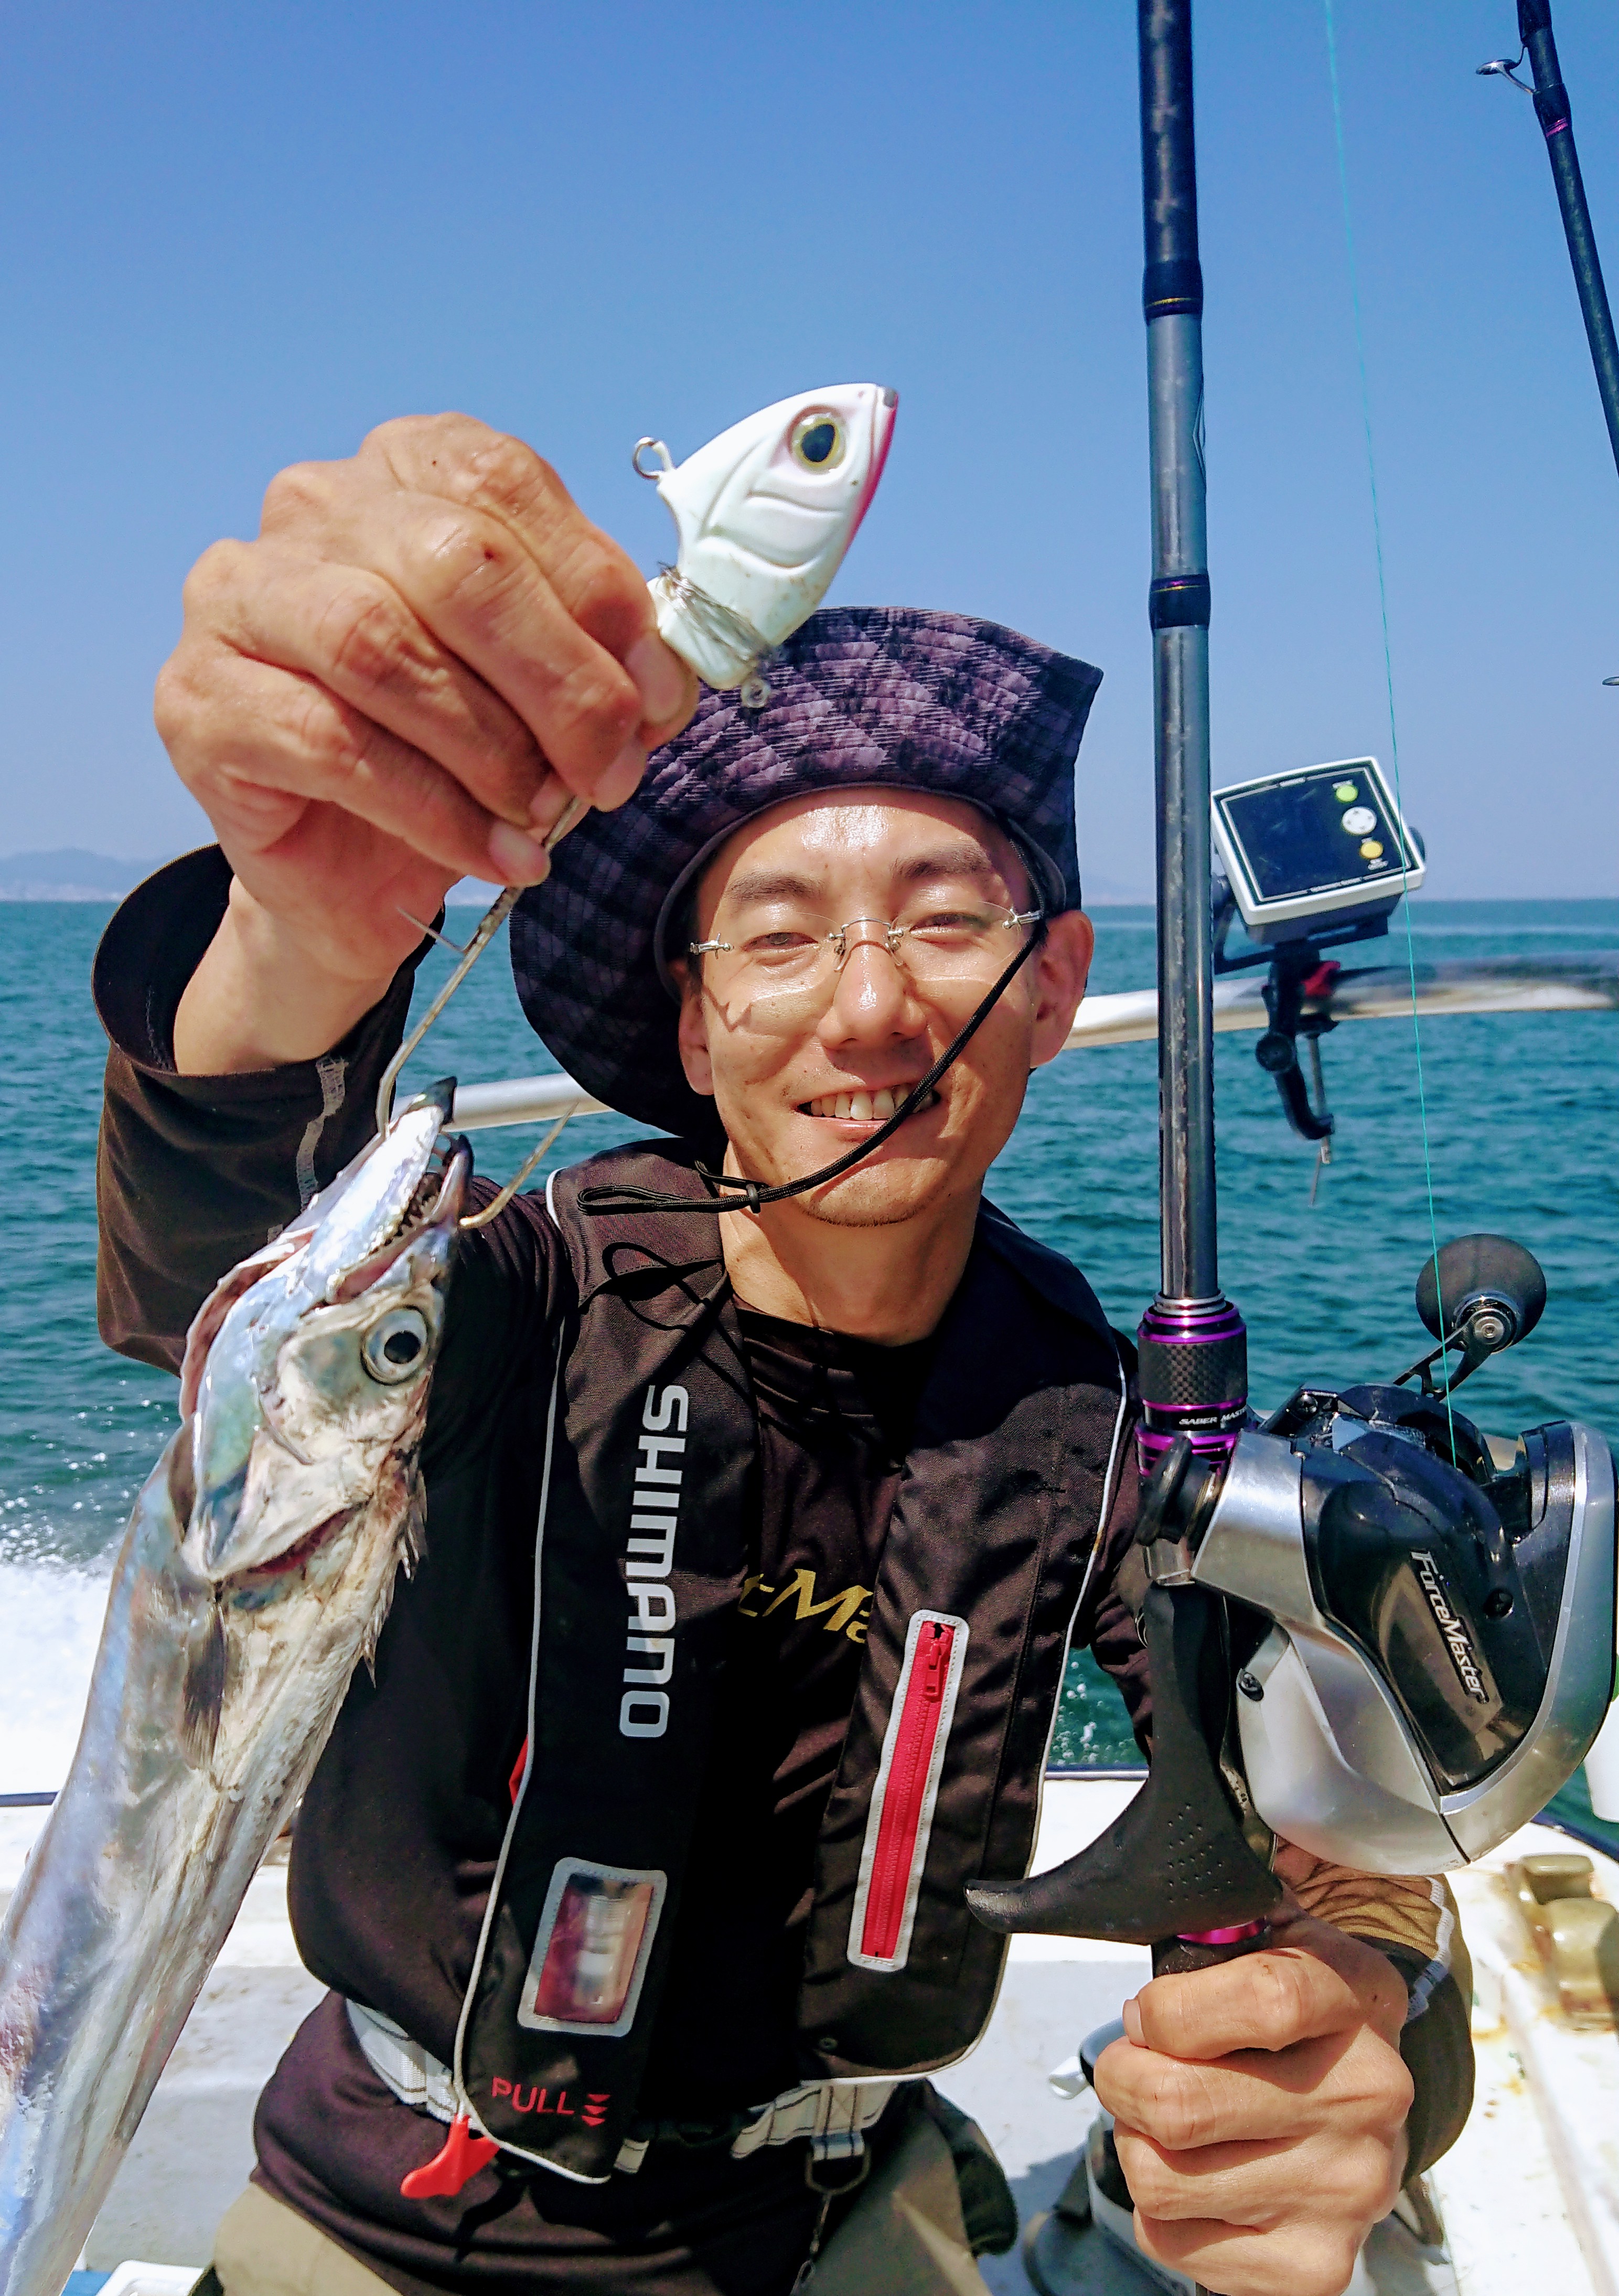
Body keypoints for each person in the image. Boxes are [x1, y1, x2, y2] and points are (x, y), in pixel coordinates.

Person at [96, 414, 1472, 2296]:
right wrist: (291, 938)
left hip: (838, 2207)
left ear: (1053, 985)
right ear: (695, 1010)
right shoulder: (514, 1293)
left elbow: (1316, 1815)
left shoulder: (1096, 1412)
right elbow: (236, 1308)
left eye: (943, 917)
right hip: (393, 2208)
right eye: (783, 931)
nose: (876, 1005)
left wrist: (1366, 2010)